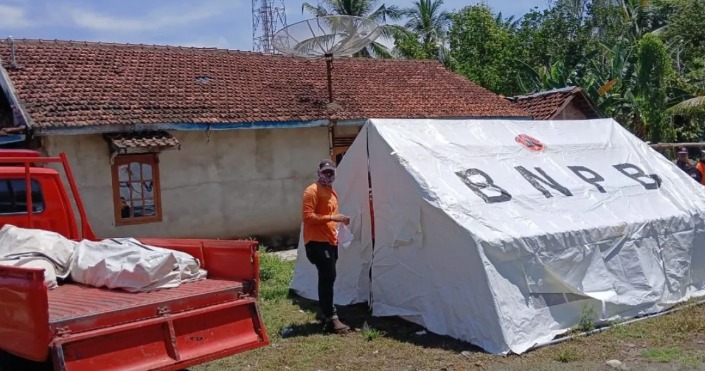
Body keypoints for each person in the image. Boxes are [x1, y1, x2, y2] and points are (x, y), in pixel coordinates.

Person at [302, 159, 351, 334]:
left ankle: (327, 313)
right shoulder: (312, 191)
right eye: (325, 172)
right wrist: (332, 218)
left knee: (328, 278)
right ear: (319, 172)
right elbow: (308, 218)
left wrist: (340, 221)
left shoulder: (331, 192)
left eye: (331, 172)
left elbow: (330, 215)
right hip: (316, 242)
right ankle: (331, 319)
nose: (328, 175)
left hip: (330, 240)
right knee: (327, 277)